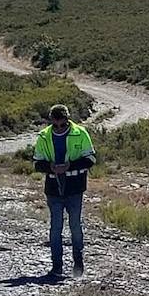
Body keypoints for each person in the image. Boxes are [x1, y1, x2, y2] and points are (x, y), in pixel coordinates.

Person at [32, 103, 97, 276]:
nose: (60, 127)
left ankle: (78, 264)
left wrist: (69, 166)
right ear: (51, 121)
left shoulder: (80, 133)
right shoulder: (44, 136)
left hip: (75, 188)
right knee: (55, 227)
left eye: (63, 124)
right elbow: (37, 163)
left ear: (68, 120)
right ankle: (57, 266)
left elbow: (90, 159)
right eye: (56, 124)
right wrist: (51, 167)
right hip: (53, 188)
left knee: (75, 225)